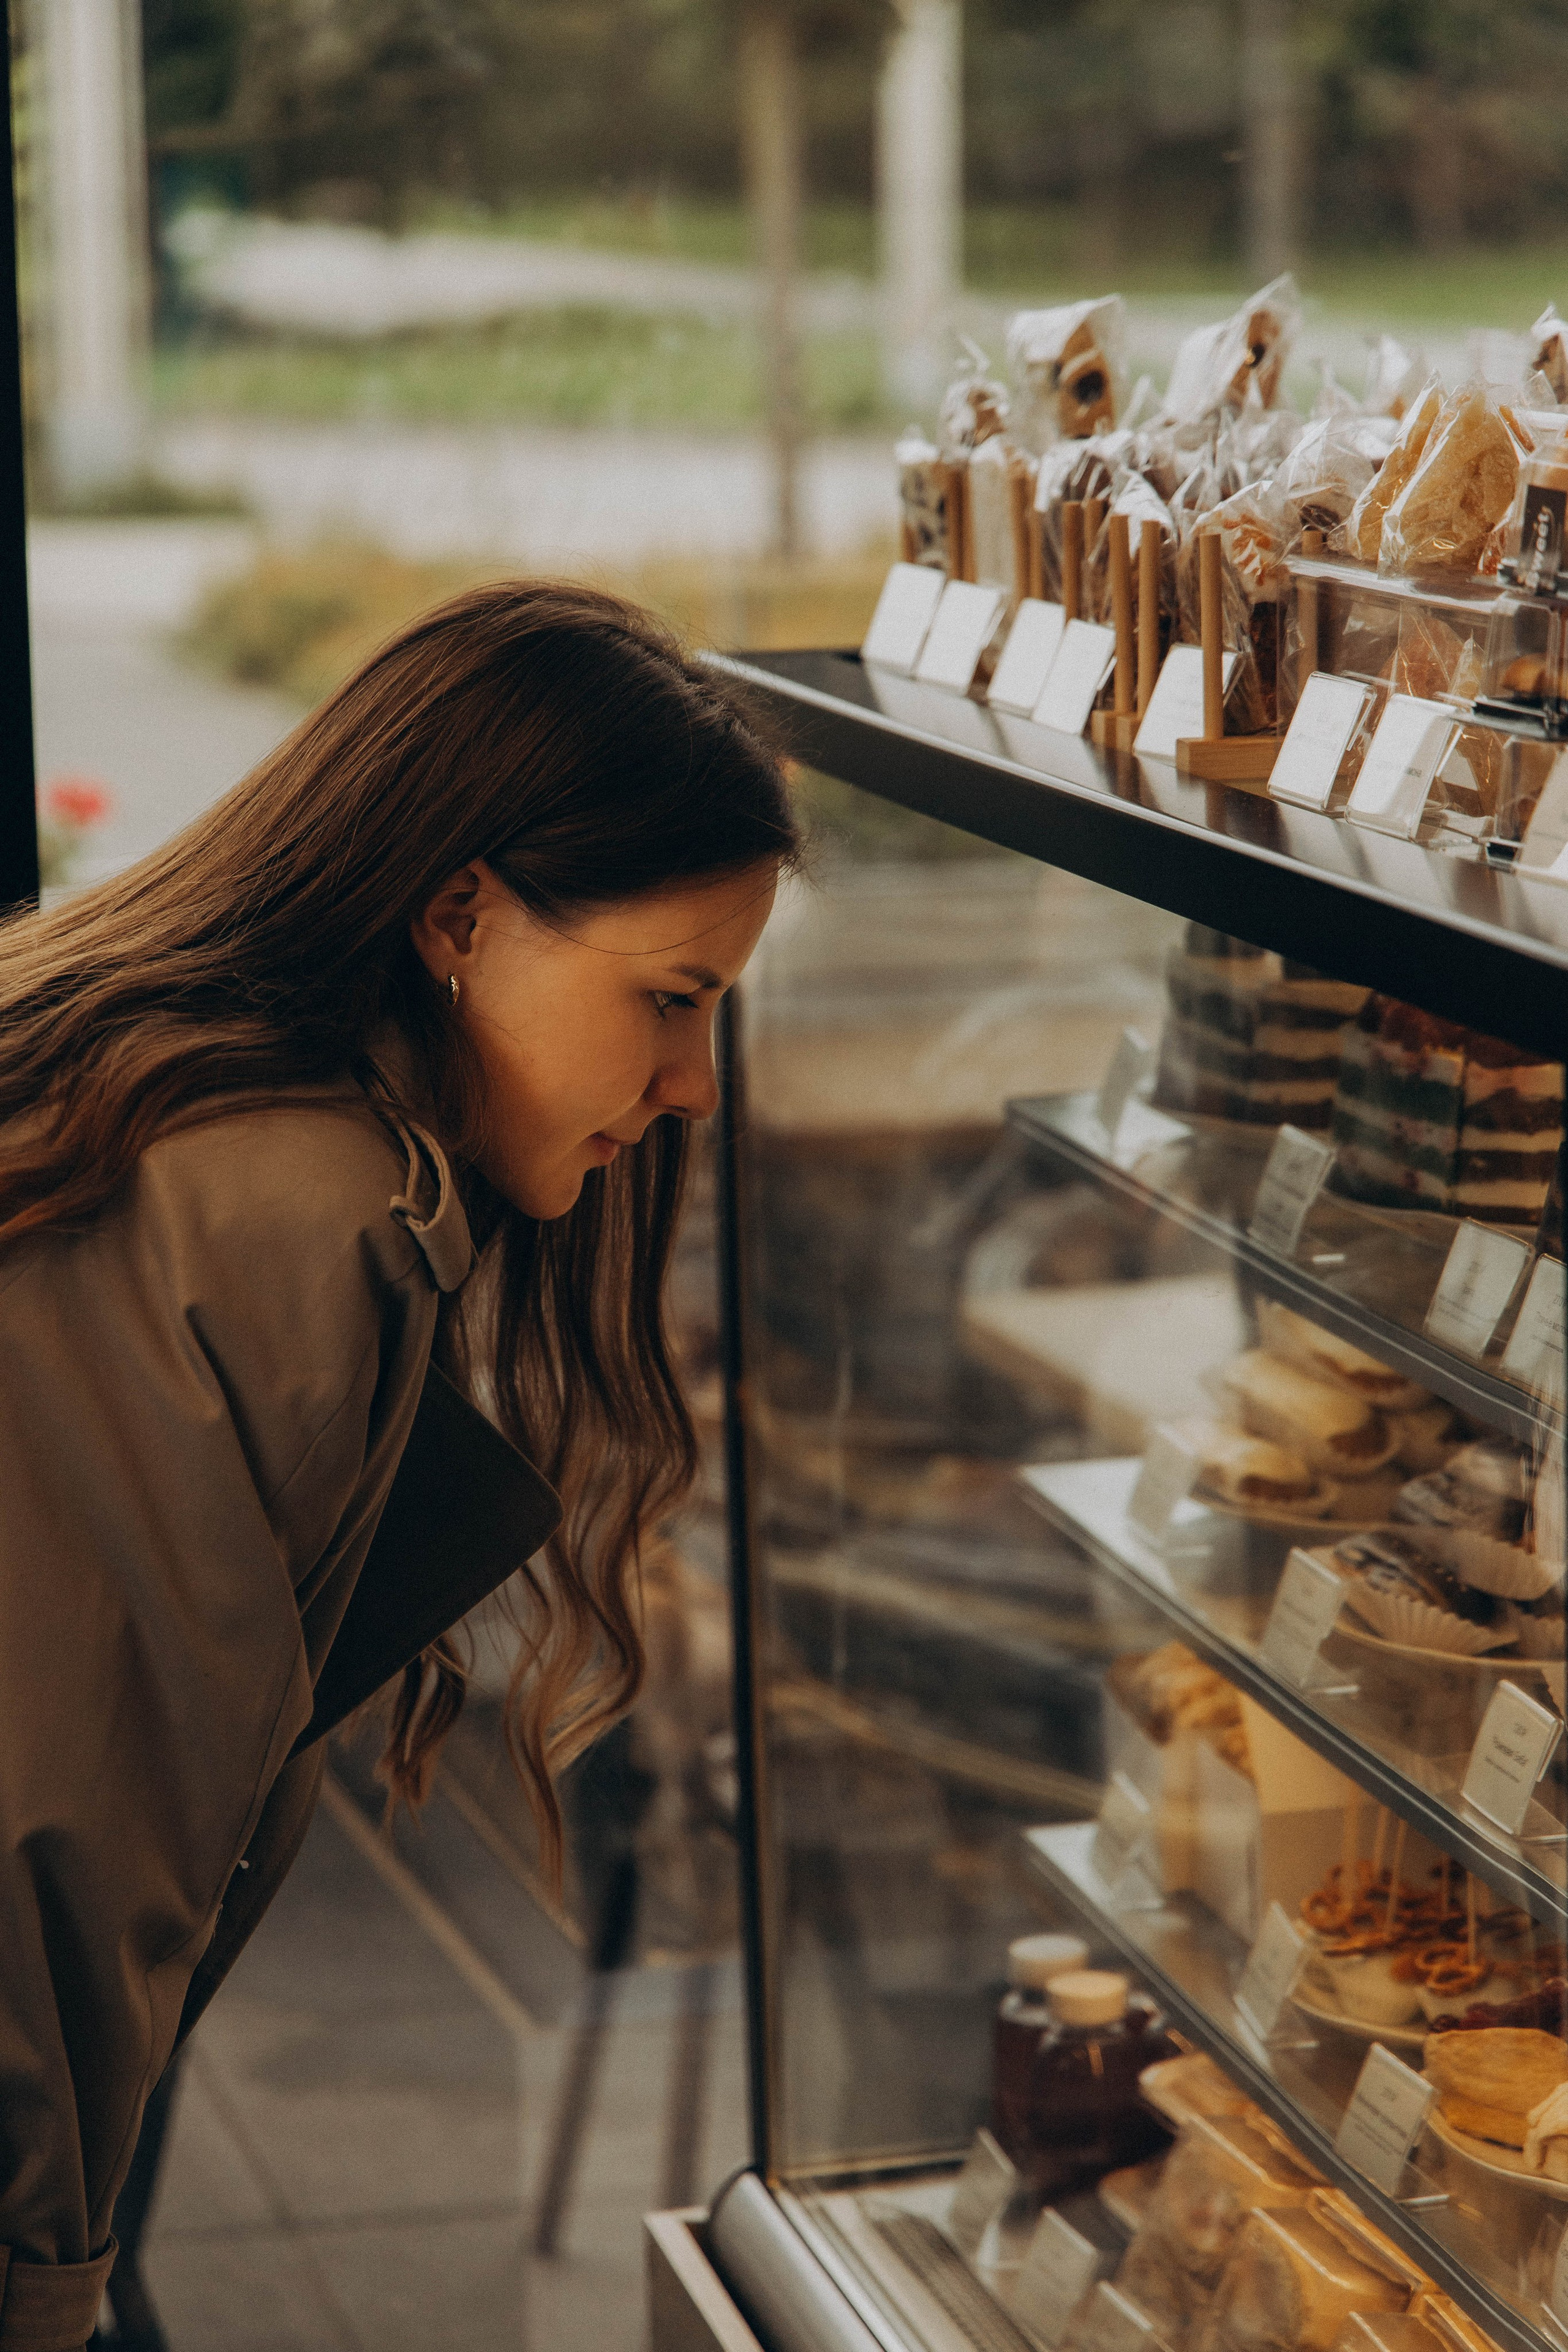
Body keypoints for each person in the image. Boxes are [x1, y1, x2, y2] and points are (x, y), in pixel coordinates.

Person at [0, 581, 797, 2350]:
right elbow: (60, 1833)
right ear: (461, 913)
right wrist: (45, 2283)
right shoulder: (303, 1209)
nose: (696, 1084)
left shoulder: (139, 1070)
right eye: (670, 997)